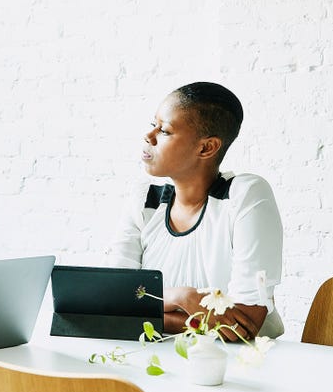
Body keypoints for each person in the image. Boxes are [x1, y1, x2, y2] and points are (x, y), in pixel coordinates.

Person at [106, 81, 285, 340]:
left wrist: (139, 312)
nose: (150, 136)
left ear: (206, 147)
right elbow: (112, 301)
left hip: (237, 369)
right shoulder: (144, 201)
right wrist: (184, 297)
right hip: (154, 362)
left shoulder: (245, 196)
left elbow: (242, 327)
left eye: (165, 131)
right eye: (152, 124)